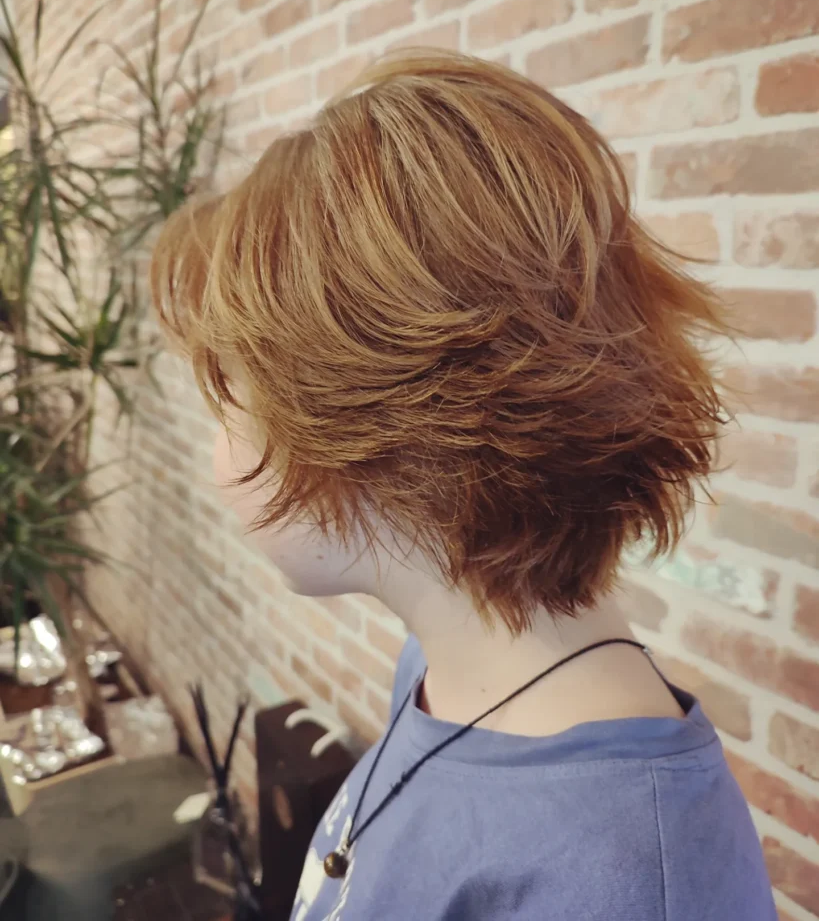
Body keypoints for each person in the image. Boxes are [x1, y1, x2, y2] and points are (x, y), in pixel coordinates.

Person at [151, 51, 776, 920]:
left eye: (230, 407)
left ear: (372, 431)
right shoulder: (451, 664)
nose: (217, 456)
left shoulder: (619, 882)